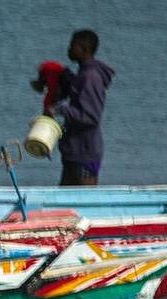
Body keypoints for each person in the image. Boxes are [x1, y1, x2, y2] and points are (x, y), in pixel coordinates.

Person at [49, 29, 113, 186]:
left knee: (85, 196)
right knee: (64, 201)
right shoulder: (83, 74)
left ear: (84, 50)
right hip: (75, 152)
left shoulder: (90, 77)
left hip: (85, 155)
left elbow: (90, 117)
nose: (69, 49)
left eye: (72, 46)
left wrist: (59, 109)